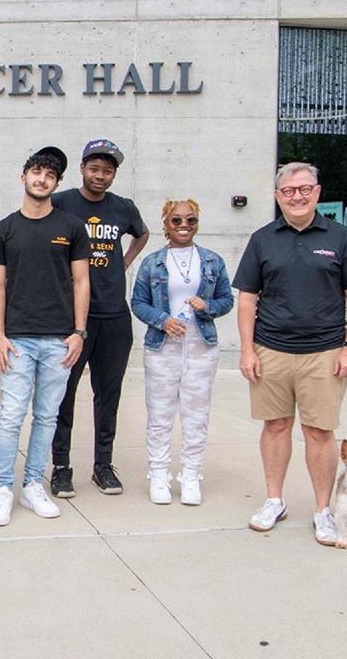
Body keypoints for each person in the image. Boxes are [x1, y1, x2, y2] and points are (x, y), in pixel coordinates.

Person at [233, 162, 347, 546]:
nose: (297, 196)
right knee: (275, 426)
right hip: (270, 349)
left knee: (319, 432)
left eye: (304, 188)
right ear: (278, 196)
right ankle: (274, 501)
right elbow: (247, 298)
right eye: (289, 190)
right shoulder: (262, 239)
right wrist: (247, 350)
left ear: (317, 191)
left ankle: (324, 511)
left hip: (325, 353)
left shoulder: (340, 237)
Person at [0, 147, 90, 527]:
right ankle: (2, 490)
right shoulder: (3, 230)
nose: (41, 179)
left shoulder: (71, 227)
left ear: (57, 183)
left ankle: (32, 485)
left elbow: (81, 281)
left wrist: (79, 332)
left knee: (47, 416)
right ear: (24, 176)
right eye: (36, 171)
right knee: (11, 416)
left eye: (50, 175)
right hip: (17, 339)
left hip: (60, 340)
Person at [49, 138, 149, 497]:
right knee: (63, 394)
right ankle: (61, 467)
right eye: (94, 168)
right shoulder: (61, 203)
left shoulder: (123, 208)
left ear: (114, 174)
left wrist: (124, 263)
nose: (100, 176)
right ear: (82, 168)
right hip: (72, 318)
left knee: (108, 394)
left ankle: (103, 466)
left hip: (114, 316)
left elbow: (143, 233)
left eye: (107, 171)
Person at [130, 199, 233, 506]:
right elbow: (138, 303)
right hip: (163, 347)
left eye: (190, 220)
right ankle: (159, 475)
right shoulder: (152, 262)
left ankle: (191, 475)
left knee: (196, 415)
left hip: (201, 346)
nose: (184, 226)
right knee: (160, 415)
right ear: (166, 224)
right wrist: (163, 320)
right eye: (176, 221)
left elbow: (227, 298)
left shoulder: (212, 261)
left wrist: (209, 306)